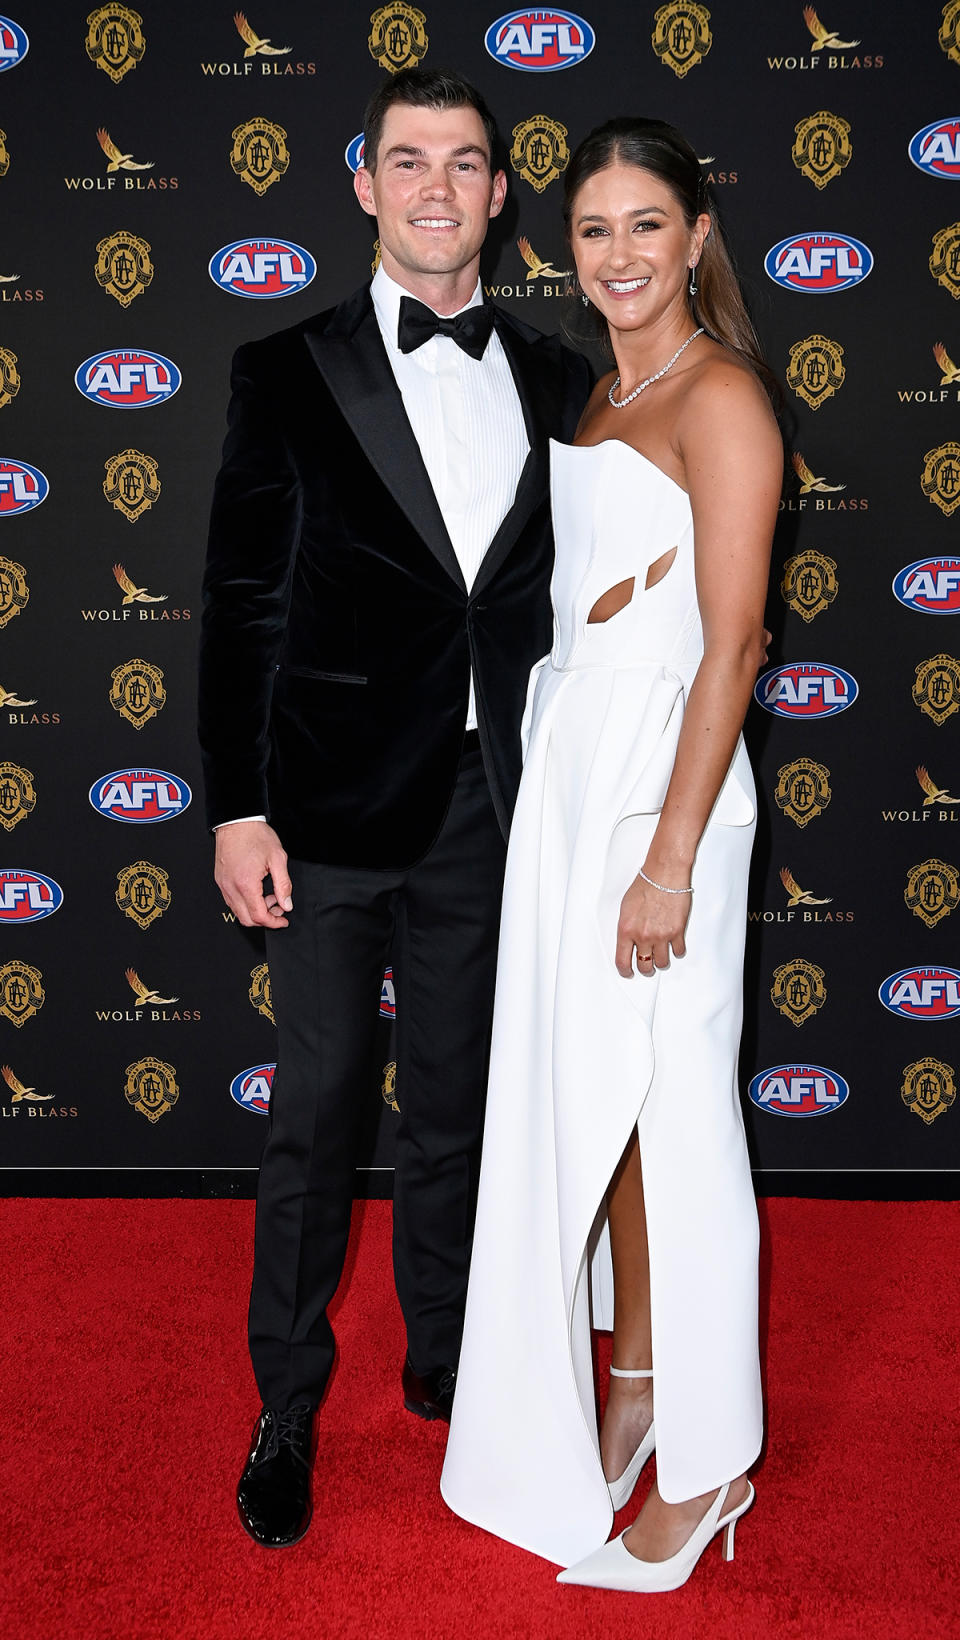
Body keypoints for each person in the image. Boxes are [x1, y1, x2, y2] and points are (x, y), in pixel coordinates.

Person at [198, 68, 592, 1549]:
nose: (439, 187)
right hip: (322, 815)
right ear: (364, 185)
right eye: (408, 161)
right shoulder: (284, 367)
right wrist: (236, 809)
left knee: (461, 1112)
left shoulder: (562, 377)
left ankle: (449, 1364)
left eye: (468, 162)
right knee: (313, 1114)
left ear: (502, 193)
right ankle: (284, 1401)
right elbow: (241, 602)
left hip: (495, 811)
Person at [440, 116, 782, 1592]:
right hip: (578, 771)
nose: (622, 254)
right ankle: (634, 1381)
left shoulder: (724, 402)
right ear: (560, 249)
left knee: (680, 1118)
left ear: (697, 233)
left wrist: (668, 857)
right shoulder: (596, 395)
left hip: (667, 785)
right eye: (595, 231)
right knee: (613, 1108)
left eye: (649, 224)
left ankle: (711, 1468)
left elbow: (737, 644)